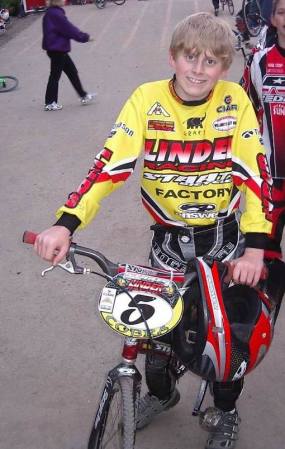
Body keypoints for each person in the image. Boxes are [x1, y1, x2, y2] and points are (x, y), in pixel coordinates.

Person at [34, 12, 273, 449]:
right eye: (191, 57)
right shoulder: (146, 99)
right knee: (156, 343)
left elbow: (256, 179)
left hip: (222, 242)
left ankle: (226, 410)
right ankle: (162, 396)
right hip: (167, 243)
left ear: (224, 67)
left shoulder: (234, 102)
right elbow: (108, 167)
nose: (199, 70)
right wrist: (65, 223)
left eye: (212, 62)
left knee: (224, 345)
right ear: (173, 56)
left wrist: (256, 249)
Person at [241, 0, 285, 260]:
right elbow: (244, 112)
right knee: (265, 258)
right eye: (282, 12)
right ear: (274, 19)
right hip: (271, 178)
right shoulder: (259, 61)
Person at [42, 0, 95, 111]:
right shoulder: (56, 15)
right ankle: (50, 102)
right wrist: (84, 37)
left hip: (57, 49)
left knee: (72, 72)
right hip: (57, 49)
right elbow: (69, 29)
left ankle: (83, 95)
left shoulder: (52, 12)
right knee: (55, 76)